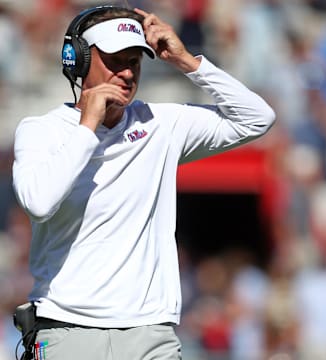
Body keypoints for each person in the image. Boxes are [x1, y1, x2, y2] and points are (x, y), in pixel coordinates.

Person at [11, 3, 275, 360]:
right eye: (114, 60)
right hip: (67, 327)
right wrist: (88, 126)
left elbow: (256, 118)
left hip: (150, 331)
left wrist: (186, 61)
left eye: (133, 61)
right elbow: (39, 202)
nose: (126, 73)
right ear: (79, 61)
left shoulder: (159, 123)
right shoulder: (40, 130)